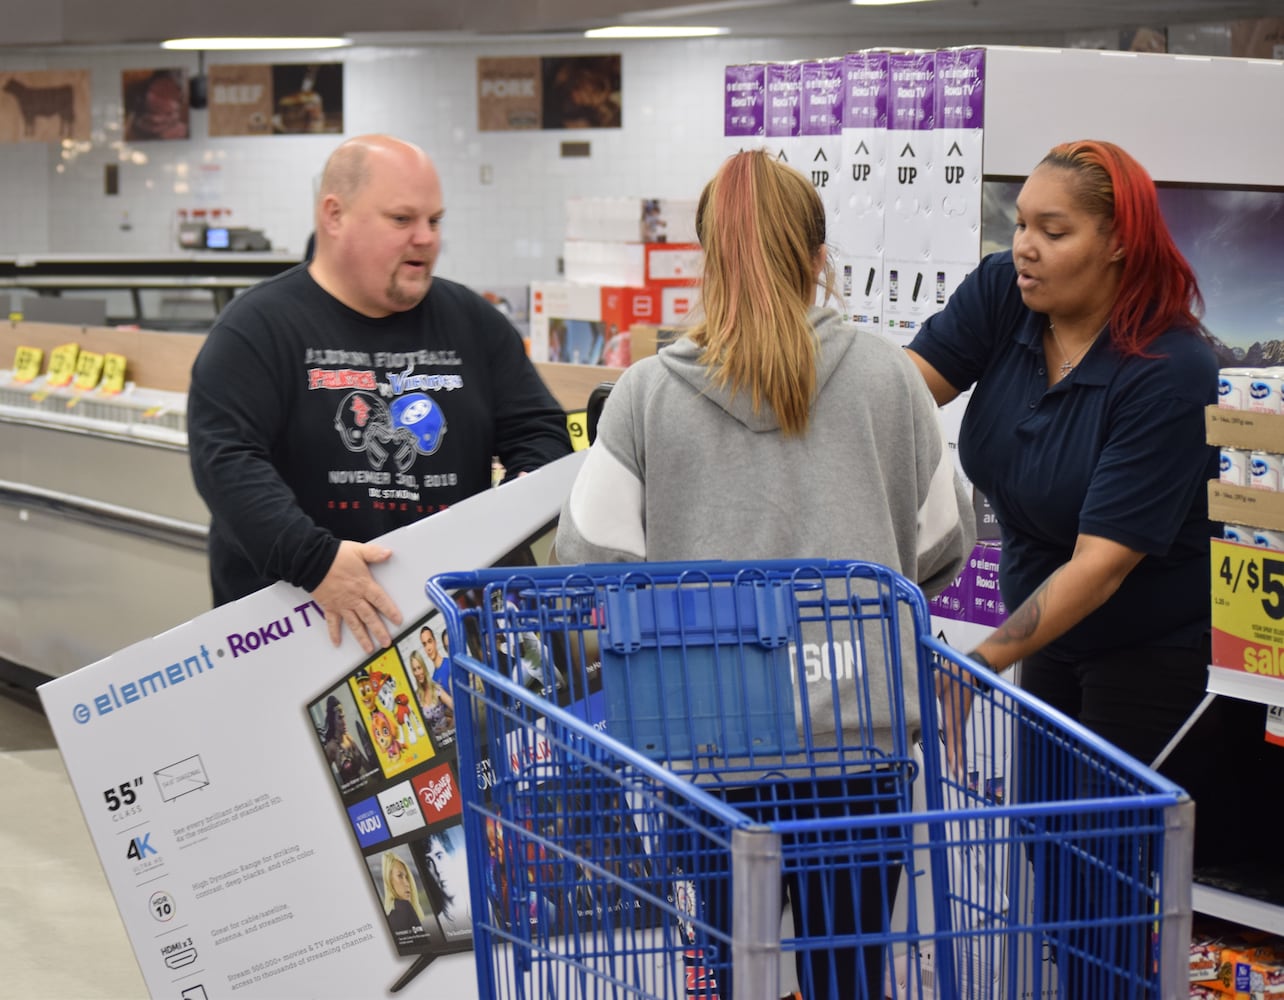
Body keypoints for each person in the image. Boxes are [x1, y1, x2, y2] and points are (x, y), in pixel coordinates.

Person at [554, 149, 974, 1000]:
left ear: (709, 258)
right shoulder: (891, 379)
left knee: (724, 975)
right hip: (857, 739)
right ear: (819, 258)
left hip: (702, 744)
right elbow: (942, 540)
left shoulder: (643, 394)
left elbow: (588, 561)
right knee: (845, 975)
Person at [905, 138, 1261, 995]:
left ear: (1118, 245)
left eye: (1053, 230)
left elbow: (1102, 565)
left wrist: (977, 660)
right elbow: (904, 394)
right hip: (1050, 628)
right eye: (1022, 223)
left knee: (1103, 869)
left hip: (1151, 648)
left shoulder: (1172, 372)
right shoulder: (1007, 295)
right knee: (1051, 855)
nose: (1024, 245)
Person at [187, 134, 573, 654]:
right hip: (295, 627)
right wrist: (315, 561)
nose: (425, 239)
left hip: (446, 625)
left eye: (434, 221)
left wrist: (522, 503)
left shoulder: (474, 324)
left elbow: (538, 431)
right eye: (401, 220)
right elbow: (226, 461)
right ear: (335, 214)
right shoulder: (256, 329)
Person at [423, 826, 472, 939]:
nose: (438, 870)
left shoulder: (487, 905)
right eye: (429, 862)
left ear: (451, 856)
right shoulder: (435, 928)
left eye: (439, 856)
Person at [407, 649, 454, 746]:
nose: (418, 672)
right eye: (414, 669)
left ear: (423, 667)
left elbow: (457, 709)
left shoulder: (436, 689)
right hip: (434, 745)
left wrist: (449, 730)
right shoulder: (416, 698)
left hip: (449, 739)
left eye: (419, 668)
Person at [381, 851, 427, 938]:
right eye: (400, 876)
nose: (407, 883)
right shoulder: (405, 906)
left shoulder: (387, 914)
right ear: (389, 880)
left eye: (406, 877)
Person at [419, 625, 450, 690]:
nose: (428, 648)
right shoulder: (434, 680)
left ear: (435, 642)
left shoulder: (450, 664)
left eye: (429, 641)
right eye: (424, 644)